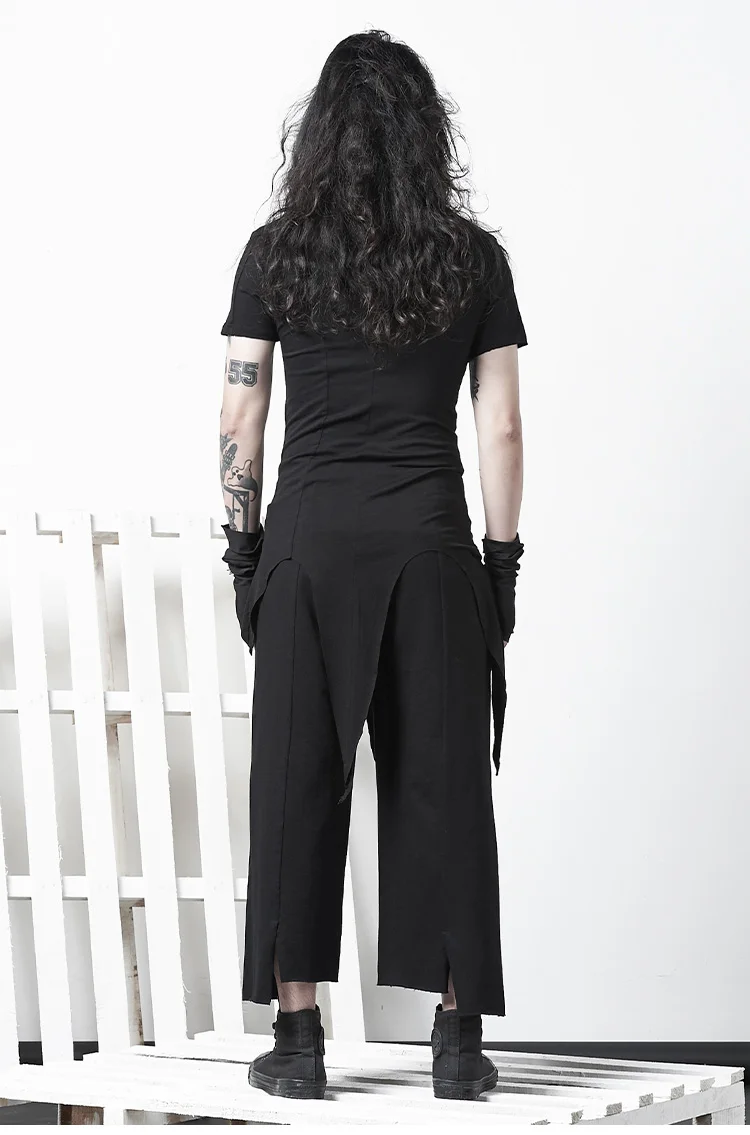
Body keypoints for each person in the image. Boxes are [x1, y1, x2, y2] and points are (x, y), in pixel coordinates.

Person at [218, 29, 527, 1103]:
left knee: (296, 782)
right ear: (425, 135)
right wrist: (502, 567)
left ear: (319, 138)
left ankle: (298, 1039)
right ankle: (457, 1041)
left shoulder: (276, 254)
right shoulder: (472, 260)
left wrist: (244, 552)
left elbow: (241, 412)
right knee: (444, 785)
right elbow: (501, 427)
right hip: (431, 548)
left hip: (307, 550)